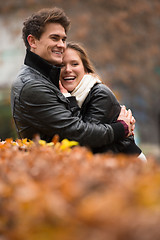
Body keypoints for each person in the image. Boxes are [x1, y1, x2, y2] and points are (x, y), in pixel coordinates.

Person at [11, 7, 134, 150]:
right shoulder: (32, 85)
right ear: (32, 41)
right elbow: (77, 132)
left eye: (63, 39)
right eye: (54, 38)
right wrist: (122, 128)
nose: (61, 45)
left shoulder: (46, 78)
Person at [60, 42, 147, 161]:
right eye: (61, 65)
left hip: (129, 161)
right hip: (105, 163)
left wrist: (69, 100)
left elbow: (83, 137)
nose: (68, 69)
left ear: (85, 69)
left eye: (74, 64)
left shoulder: (100, 93)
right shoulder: (62, 96)